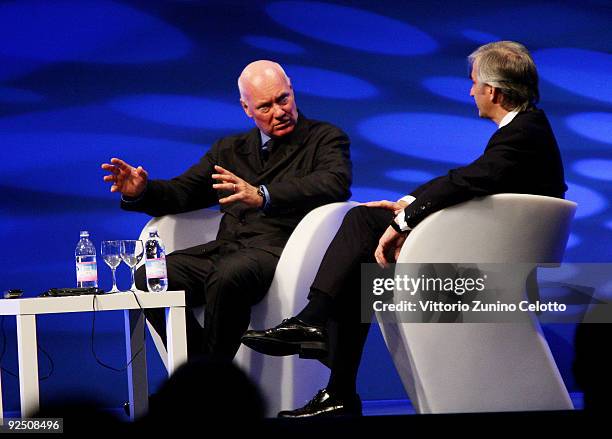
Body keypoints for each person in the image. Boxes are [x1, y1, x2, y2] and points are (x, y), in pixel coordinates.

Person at [241, 41, 567, 417]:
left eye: (474, 82)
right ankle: (336, 384)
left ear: (492, 91)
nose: (470, 90)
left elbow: (468, 180)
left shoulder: (523, 134)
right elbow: (467, 179)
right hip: (485, 249)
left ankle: (315, 326)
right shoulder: (526, 130)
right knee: (363, 271)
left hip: (493, 266)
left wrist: (404, 220)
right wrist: (408, 205)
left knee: (362, 222)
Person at [101, 60, 352, 360]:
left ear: (291, 89)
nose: (279, 112)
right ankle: (203, 372)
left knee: (228, 276)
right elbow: (183, 192)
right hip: (226, 249)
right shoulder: (230, 150)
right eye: (265, 107)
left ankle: (210, 381)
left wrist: (263, 196)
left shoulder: (324, 138)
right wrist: (142, 191)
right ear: (247, 109)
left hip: (282, 250)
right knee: (150, 277)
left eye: (283, 99)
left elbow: (334, 183)